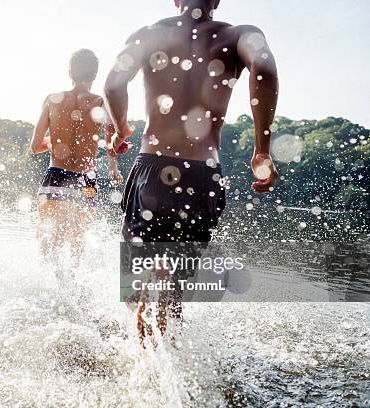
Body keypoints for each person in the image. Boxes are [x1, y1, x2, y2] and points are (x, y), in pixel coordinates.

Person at [104, 0, 279, 342]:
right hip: (203, 176)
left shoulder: (150, 34)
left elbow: (113, 83)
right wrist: (261, 149)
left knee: (134, 283)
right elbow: (265, 69)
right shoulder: (239, 34)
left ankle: (139, 362)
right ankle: (175, 364)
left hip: (153, 169)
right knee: (173, 291)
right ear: (216, 1)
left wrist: (121, 128)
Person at [31, 49, 126, 278]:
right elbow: (113, 144)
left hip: (55, 176)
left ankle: (48, 289)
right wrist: (113, 170)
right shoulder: (101, 103)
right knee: (77, 242)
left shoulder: (52, 100)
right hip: (84, 180)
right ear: (95, 74)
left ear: (70, 71)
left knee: (47, 241)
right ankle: (73, 291)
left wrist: (56, 143)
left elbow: (35, 146)